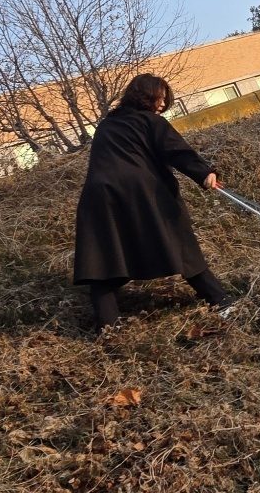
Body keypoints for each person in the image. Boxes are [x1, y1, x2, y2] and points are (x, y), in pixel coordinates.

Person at [73, 73, 233, 334]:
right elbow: (175, 150)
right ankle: (221, 301)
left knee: (104, 260)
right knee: (181, 244)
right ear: (145, 96)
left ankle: (108, 329)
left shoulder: (106, 126)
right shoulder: (150, 121)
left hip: (100, 197)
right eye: (159, 97)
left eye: (164, 99)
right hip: (143, 192)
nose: (162, 103)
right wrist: (204, 173)